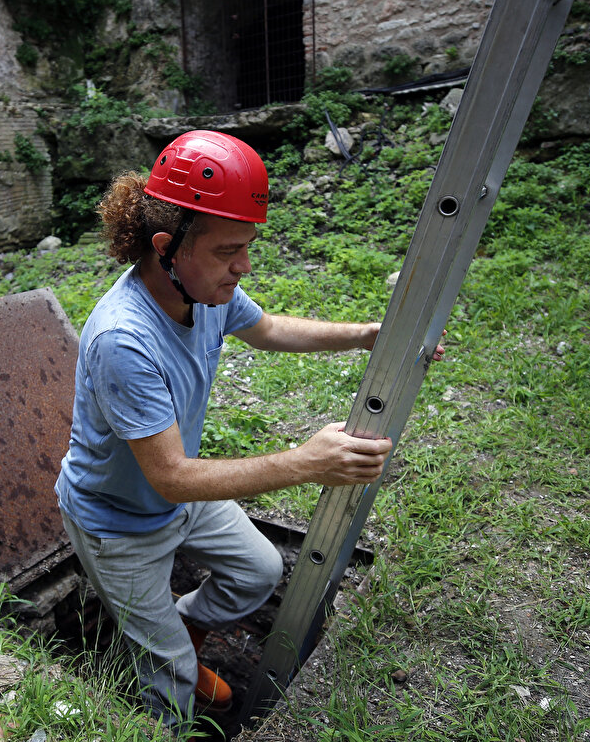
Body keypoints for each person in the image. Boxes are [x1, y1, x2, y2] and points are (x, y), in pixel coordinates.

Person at [55, 130, 443, 730]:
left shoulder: (204, 289)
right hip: (118, 521)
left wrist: (365, 334)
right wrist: (306, 462)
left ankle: (174, 627)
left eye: (247, 246)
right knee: (173, 679)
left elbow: (269, 330)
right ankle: (167, 691)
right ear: (167, 247)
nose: (244, 265)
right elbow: (173, 477)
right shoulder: (123, 340)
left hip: (176, 500)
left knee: (260, 572)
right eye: (228, 250)